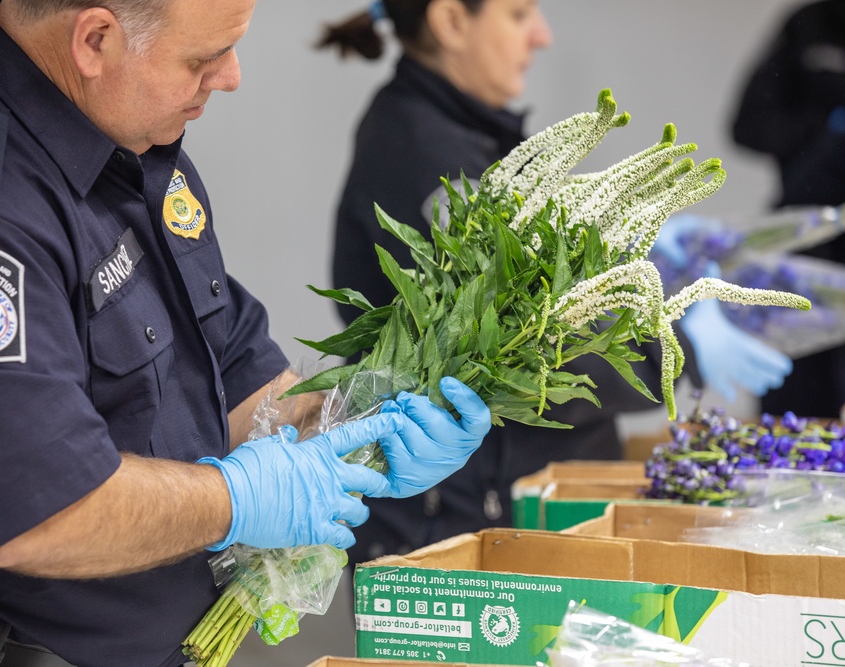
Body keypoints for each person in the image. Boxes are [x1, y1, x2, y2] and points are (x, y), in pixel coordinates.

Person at [0, 1, 494, 666]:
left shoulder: (129, 147)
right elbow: (36, 510)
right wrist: (235, 500)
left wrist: (363, 428)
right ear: (95, 40)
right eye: (204, 58)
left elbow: (242, 378)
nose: (232, 76)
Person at [317, 0, 793, 561]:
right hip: (456, 528)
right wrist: (675, 341)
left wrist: (642, 261)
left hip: (491, 507)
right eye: (518, 14)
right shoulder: (424, 153)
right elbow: (524, 350)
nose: (541, 35)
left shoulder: (465, 132)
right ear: (450, 21)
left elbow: (543, 291)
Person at [731, 0, 845, 418]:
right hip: (806, 249)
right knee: (795, 411)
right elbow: (747, 124)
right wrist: (823, 134)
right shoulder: (810, 25)